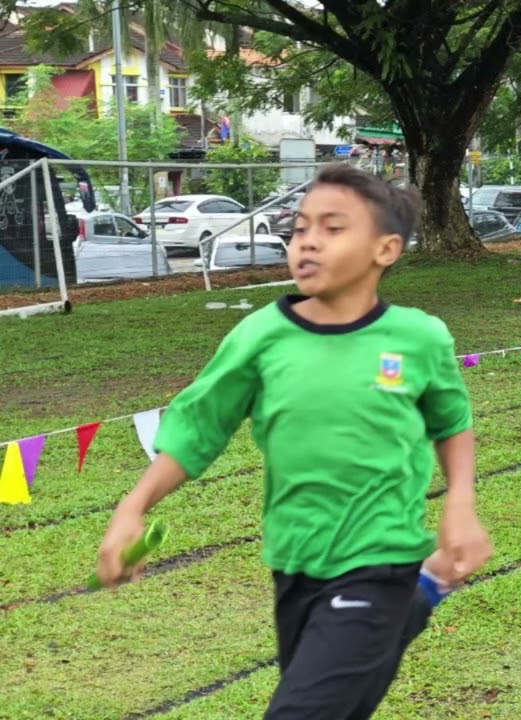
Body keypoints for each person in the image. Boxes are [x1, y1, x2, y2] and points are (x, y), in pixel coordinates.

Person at [94, 164, 492, 719]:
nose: (307, 241)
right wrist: (132, 506)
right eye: (301, 227)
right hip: (295, 562)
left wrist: (461, 503)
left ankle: (411, 590)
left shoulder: (418, 337)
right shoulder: (261, 337)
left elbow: (451, 423)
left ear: (386, 249)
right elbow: (196, 428)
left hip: (379, 559)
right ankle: (422, 594)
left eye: (333, 228)